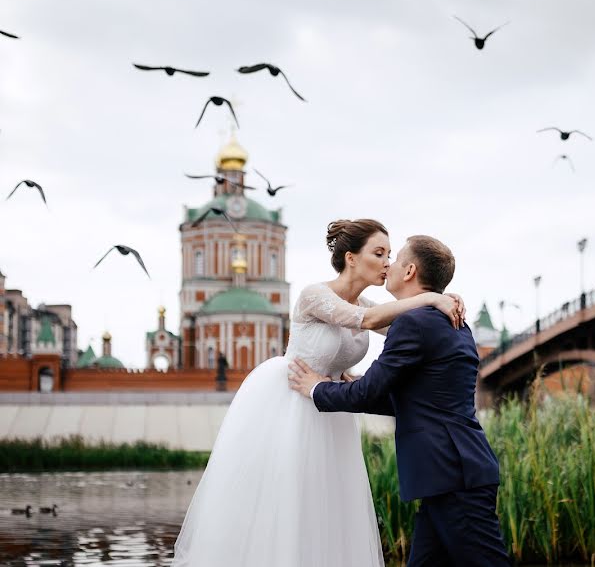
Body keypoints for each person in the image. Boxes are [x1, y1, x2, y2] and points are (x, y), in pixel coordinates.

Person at [172, 219, 465, 567]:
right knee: (287, 504)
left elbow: (408, 326)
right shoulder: (316, 295)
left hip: (329, 408)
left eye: (390, 255)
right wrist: (433, 297)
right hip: (290, 402)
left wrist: (441, 302)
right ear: (352, 258)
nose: (387, 262)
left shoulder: (371, 302)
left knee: (330, 506)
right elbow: (365, 320)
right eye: (379, 253)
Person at [289, 235, 509, 566]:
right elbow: (408, 400)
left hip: (452, 475)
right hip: (449, 474)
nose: (387, 264)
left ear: (409, 271)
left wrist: (318, 388)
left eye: (394, 258)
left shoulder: (413, 323)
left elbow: (370, 393)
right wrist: (354, 385)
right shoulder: (453, 322)